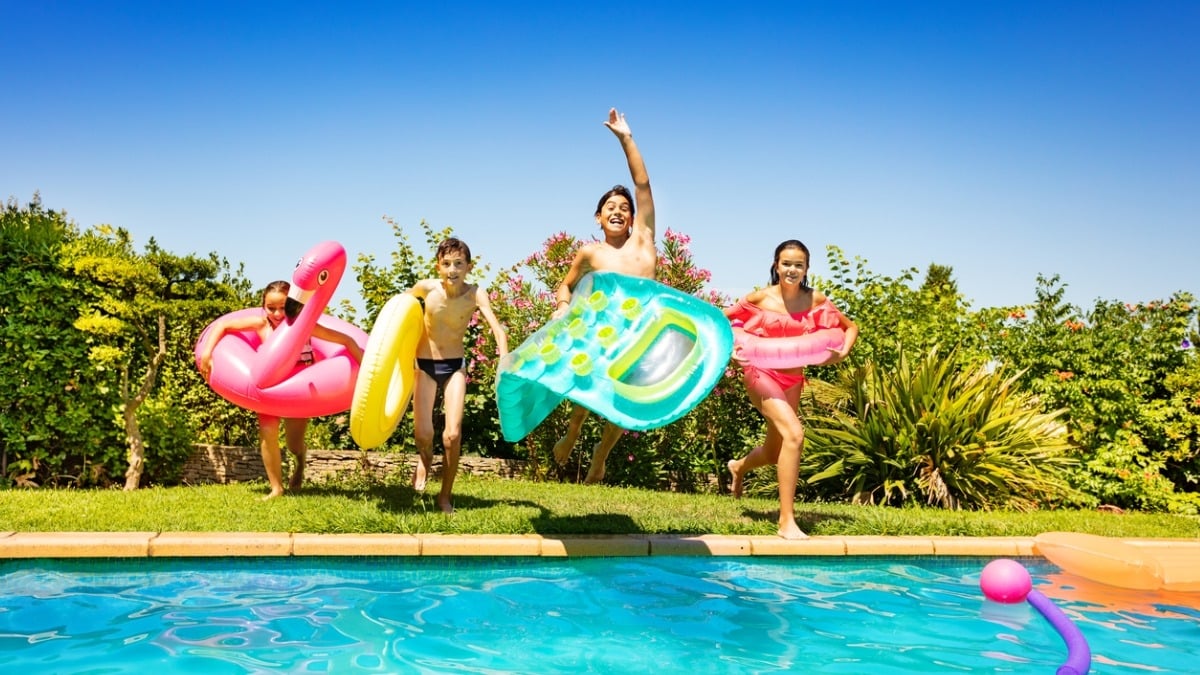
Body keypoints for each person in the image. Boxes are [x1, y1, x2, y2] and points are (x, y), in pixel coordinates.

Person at [724, 240, 858, 539]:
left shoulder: (816, 301)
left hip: (793, 378)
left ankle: (738, 467)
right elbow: (722, 320)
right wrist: (730, 349)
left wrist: (843, 352)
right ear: (776, 265)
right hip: (759, 373)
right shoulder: (759, 298)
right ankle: (786, 521)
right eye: (786, 263)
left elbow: (850, 327)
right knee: (795, 434)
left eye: (798, 265)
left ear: (807, 269)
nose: (792, 270)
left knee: (774, 452)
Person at [550, 107, 657, 484]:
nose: (618, 211)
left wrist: (625, 138)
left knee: (622, 404)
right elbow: (565, 284)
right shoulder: (590, 253)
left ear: (633, 219)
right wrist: (562, 307)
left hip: (641, 330)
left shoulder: (644, 241)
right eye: (610, 208)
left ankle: (602, 453)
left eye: (624, 209)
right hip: (603, 327)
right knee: (586, 384)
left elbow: (642, 186)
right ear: (598, 218)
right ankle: (574, 430)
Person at [198, 280, 365, 500]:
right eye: (271, 308)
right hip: (268, 389)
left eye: (282, 307)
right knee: (268, 433)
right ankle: (276, 488)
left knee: (294, 444)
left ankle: (300, 461)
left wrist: (366, 367)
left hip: (299, 389)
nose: (277, 313)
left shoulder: (305, 326)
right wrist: (208, 353)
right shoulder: (260, 325)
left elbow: (345, 339)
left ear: (293, 304)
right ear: (263, 306)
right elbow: (223, 326)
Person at [407, 237, 508, 513]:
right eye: (447, 264)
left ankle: (444, 497)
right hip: (424, 366)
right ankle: (425, 460)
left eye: (459, 264)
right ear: (438, 267)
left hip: (454, 367)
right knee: (424, 435)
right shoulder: (426, 289)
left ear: (469, 267)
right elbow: (398, 317)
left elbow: (497, 329)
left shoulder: (475, 294)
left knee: (452, 435)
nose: (452, 269)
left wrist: (504, 355)